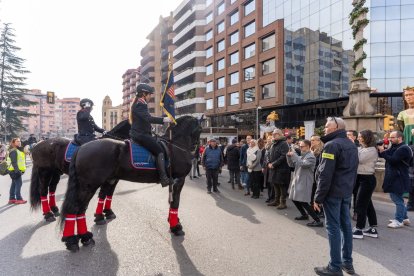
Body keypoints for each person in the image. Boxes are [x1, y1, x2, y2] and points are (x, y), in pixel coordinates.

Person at [313, 117, 358, 276]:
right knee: (345, 226)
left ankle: (335, 267)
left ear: (336, 127)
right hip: (345, 192)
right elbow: (352, 172)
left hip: (333, 193)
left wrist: (318, 197)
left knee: (333, 228)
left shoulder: (332, 145)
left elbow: (325, 174)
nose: (324, 129)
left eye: (327, 127)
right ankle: (347, 263)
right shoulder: (350, 144)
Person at [129, 83, 173, 187]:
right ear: (144, 94)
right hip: (140, 135)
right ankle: (163, 178)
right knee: (159, 150)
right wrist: (164, 119)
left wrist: (150, 128)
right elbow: (148, 118)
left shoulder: (139, 103)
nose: (150, 97)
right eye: (149, 94)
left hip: (141, 133)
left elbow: (144, 120)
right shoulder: (140, 104)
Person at [378, 130, 411, 228]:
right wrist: (381, 149)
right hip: (395, 176)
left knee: (397, 199)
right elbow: (384, 155)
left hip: (399, 177)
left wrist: (383, 152)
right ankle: (404, 218)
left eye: (392, 137)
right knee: (398, 198)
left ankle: (398, 220)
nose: (390, 139)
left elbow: (393, 160)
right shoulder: (395, 147)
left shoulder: (403, 149)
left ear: (399, 138)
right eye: (390, 137)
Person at [287, 139, 323, 227]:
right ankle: (304, 214)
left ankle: (317, 220)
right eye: (300, 146)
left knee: (303, 201)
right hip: (298, 180)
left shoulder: (311, 156)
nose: (300, 147)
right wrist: (288, 156)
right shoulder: (302, 155)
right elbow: (291, 165)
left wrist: (294, 155)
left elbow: (303, 164)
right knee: (294, 198)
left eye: (302, 146)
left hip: (305, 181)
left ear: (307, 146)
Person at [353, 130, 379, 239]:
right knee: (368, 205)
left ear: (366, 138)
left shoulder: (371, 150)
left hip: (367, 179)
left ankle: (359, 229)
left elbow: (357, 159)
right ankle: (373, 228)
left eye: (360, 137)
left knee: (360, 205)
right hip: (360, 178)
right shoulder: (361, 148)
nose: (358, 138)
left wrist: (354, 150)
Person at [267, 129, 290, 209]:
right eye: (273, 134)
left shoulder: (284, 143)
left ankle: (283, 203)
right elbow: (269, 154)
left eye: (276, 134)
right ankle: (276, 201)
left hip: (281, 169)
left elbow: (284, 156)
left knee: (282, 187)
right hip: (274, 169)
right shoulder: (273, 144)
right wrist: (269, 163)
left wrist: (273, 164)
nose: (274, 135)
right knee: (275, 185)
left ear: (280, 135)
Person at [7, 138, 27, 204]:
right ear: (13, 143)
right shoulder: (14, 151)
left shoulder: (17, 150)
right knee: (19, 184)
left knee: (14, 184)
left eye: (19, 141)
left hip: (14, 170)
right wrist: (17, 171)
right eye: (17, 141)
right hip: (15, 171)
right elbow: (14, 162)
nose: (19, 142)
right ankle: (19, 199)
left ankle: (12, 198)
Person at [263, 135, 274, 203]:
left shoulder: (273, 147)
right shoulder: (266, 147)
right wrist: (263, 167)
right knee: (268, 183)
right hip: (267, 167)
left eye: (270, 139)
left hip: (271, 167)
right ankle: (269, 197)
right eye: (268, 139)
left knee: (272, 184)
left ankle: (272, 197)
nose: (269, 140)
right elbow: (265, 158)